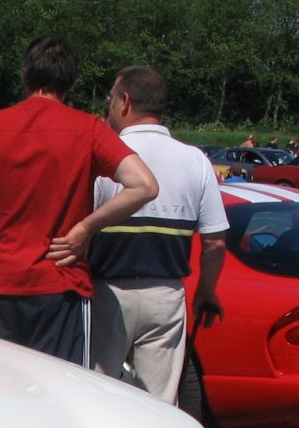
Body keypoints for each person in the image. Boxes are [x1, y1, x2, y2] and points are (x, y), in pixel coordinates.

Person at [0, 34, 157, 366]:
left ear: (26, 75)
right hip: (60, 284)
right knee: (62, 392)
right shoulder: (88, 129)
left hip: (1, 283)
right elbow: (144, 185)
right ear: (70, 80)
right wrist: (86, 229)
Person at [88, 66, 227, 403]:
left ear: (125, 101)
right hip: (166, 292)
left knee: (97, 392)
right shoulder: (195, 160)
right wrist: (206, 290)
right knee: (160, 401)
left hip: (107, 291)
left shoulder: (102, 153)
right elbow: (215, 241)